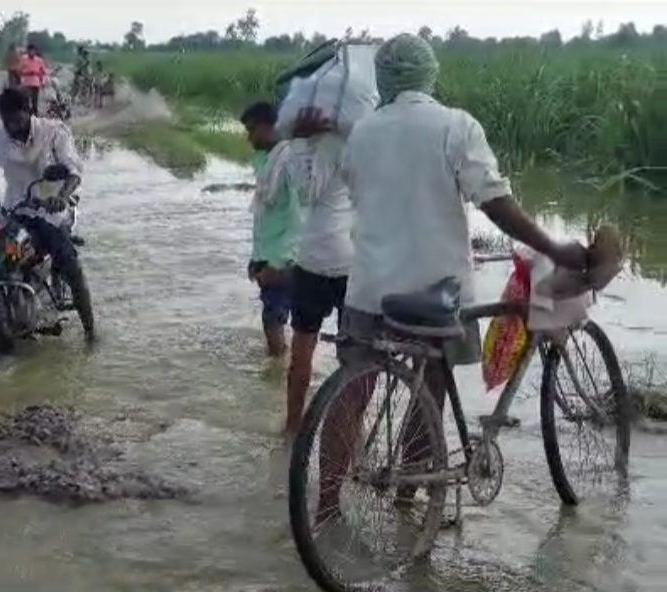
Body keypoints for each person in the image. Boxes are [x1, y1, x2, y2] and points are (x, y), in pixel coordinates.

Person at [302, 33, 588, 521]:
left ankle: (326, 508)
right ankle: (409, 500)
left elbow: (362, 190)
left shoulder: (364, 133)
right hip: (435, 291)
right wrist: (552, 245)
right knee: (429, 381)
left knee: (353, 390)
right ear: (430, 74)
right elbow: (494, 202)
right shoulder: (456, 126)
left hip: (370, 290)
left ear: (385, 79)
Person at [0, 87, 95, 341]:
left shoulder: (53, 131)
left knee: (71, 266)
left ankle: (91, 331)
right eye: (7, 120)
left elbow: (73, 169)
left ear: (29, 112)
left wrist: (62, 196)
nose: (12, 126)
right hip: (14, 208)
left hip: (50, 212)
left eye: (17, 119)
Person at [281, 108, 356, 438]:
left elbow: (305, 192)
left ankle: (293, 428)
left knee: (302, 351)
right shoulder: (365, 140)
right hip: (356, 259)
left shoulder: (326, 144)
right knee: (355, 361)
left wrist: (298, 142)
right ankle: (353, 438)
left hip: (317, 259)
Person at [239, 102, 299, 358]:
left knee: (276, 321)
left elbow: (300, 217)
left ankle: (279, 375)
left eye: (252, 130)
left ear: (268, 126)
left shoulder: (290, 162)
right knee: (274, 321)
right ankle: (280, 370)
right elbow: (266, 215)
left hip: (285, 260)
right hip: (269, 256)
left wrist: (278, 263)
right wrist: (257, 258)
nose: (248, 136)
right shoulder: (266, 160)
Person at [17, 44, 48, 114]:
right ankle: (27, 113)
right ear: (27, 51)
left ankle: (35, 113)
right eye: (30, 51)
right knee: (26, 99)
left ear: (35, 51)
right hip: (27, 81)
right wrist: (23, 76)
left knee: (35, 100)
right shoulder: (24, 59)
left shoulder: (39, 61)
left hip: (35, 82)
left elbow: (43, 71)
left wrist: (43, 80)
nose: (32, 52)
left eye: (33, 51)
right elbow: (19, 70)